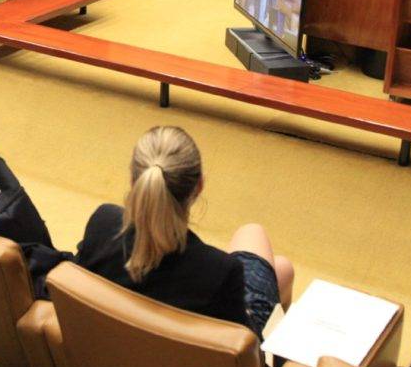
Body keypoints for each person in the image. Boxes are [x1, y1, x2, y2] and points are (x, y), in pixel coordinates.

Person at [76, 126, 293, 339]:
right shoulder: (219, 272)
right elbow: (244, 348)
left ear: (134, 181)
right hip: (198, 348)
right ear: (199, 186)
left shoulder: (102, 225)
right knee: (254, 234)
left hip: (115, 348)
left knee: (281, 269)